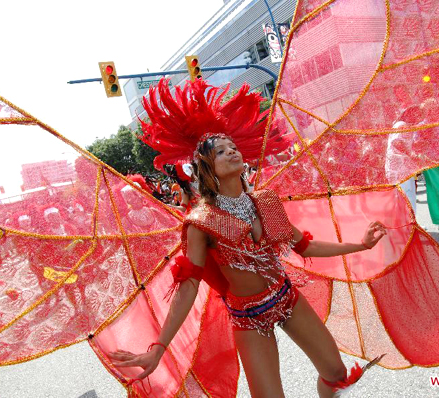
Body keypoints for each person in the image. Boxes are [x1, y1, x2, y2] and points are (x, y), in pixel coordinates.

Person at [109, 79, 388, 397]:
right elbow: (187, 287)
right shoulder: (200, 223)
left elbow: (304, 246)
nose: (232, 152)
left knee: (337, 373)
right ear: (205, 166)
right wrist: (158, 348)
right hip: (248, 318)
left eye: (233, 147)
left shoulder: (266, 202)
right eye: (221, 151)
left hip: (286, 298)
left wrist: (360, 244)